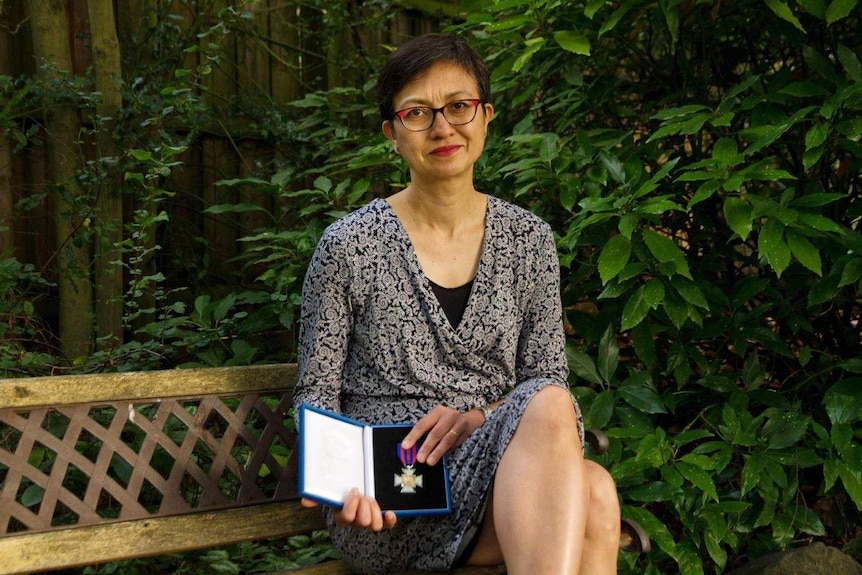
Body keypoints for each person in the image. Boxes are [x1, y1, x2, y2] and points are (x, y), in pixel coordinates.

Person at [294, 32, 622, 574]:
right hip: (390, 498)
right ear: (392, 134)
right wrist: (341, 484)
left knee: (594, 484)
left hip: (497, 480)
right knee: (592, 491)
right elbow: (317, 393)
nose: (443, 127)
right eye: (418, 113)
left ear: (486, 116)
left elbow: (549, 387)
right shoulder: (349, 245)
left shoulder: (528, 240)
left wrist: (481, 418)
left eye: (458, 106)